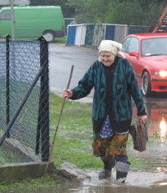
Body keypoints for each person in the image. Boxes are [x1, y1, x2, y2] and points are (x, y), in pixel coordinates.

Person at [62, 40, 148, 183]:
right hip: (101, 116)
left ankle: (121, 180)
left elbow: (135, 90)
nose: (105, 59)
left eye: (108, 56)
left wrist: (142, 111)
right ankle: (107, 167)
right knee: (102, 148)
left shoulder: (125, 66)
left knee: (119, 149)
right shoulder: (96, 67)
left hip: (121, 116)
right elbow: (84, 86)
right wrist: (72, 93)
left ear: (114, 54)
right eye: (103, 56)